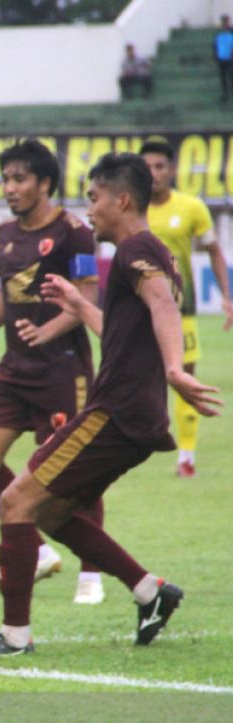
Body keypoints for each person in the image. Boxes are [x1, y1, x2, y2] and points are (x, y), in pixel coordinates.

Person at [0, 153, 221, 657]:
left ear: (121, 199)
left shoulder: (134, 251)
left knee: (17, 501)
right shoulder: (154, 249)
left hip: (116, 413)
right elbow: (125, 336)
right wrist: (82, 307)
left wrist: (174, 369)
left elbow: (163, 303)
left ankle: (14, 637)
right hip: (133, 414)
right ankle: (151, 592)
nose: (90, 209)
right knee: (53, 513)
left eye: (95, 198)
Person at [0, 139, 107, 606]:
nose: (9, 188)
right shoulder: (5, 233)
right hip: (15, 368)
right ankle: (39, 549)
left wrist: (49, 331)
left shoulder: (74, 232)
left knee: (73, 475)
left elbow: (87, 298)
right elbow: (7, 293)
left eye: (19, 179)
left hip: (63, 370)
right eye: (5, 179)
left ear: (44, 183)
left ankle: (92, 572)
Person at [139, 138, 233, 477]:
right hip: (137, 312)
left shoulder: (191, 207)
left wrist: (227, 295)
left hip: (183, 311)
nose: (154, 174)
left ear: (172, 169)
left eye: (160, 166)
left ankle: (186, 456)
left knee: (184, 378)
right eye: (147, 167)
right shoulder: (130, 208)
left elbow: (214, 251)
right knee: (131, 379)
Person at [214, 15, 233, 102]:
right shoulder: (218, 34)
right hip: (221, 58)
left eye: (226, 22)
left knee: (230, 75)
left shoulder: (231, 33)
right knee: (223, 77)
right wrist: (216, 57)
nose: (225, 24)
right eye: (224, 22)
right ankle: (225, 94)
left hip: (229, 58)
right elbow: (215, 46)